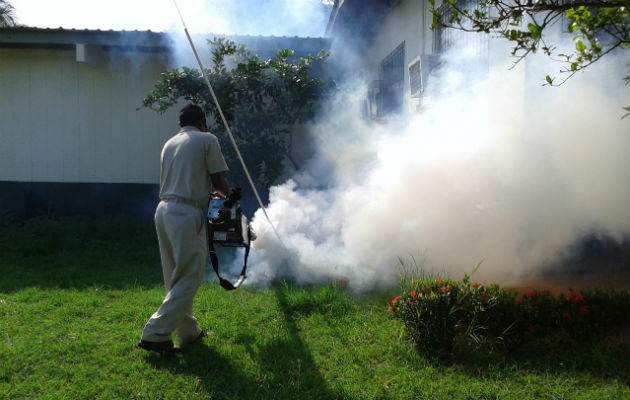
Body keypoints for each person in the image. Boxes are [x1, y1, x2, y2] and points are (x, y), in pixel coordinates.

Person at [138, 104, 232, 354]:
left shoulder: (170, 144)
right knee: (190, 275)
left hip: (164, 210)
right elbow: (218, 179)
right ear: (202, 121)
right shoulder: (207, 139)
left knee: (175, 277)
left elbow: (184, 179)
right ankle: (155, 333)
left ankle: (188, 332)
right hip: (186, 213)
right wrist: (231, 198)